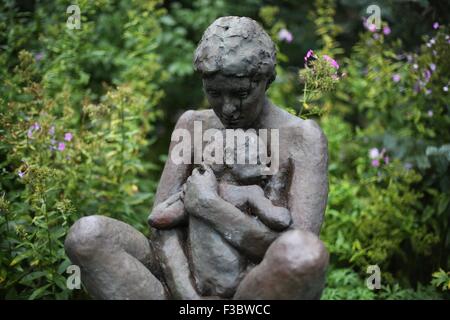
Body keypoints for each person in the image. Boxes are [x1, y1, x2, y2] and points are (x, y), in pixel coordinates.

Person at [65, 16, 329, 300]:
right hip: (185, 283)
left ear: (267, 80)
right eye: (214, 93)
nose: (227, 109)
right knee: (87, 236)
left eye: (241, 94)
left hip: (254, 289)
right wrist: (185, 293)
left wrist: (209, 205)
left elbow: (296, 247)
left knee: (303, 255)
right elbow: (160, 229)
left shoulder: (303, 138)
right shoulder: (192, 125)